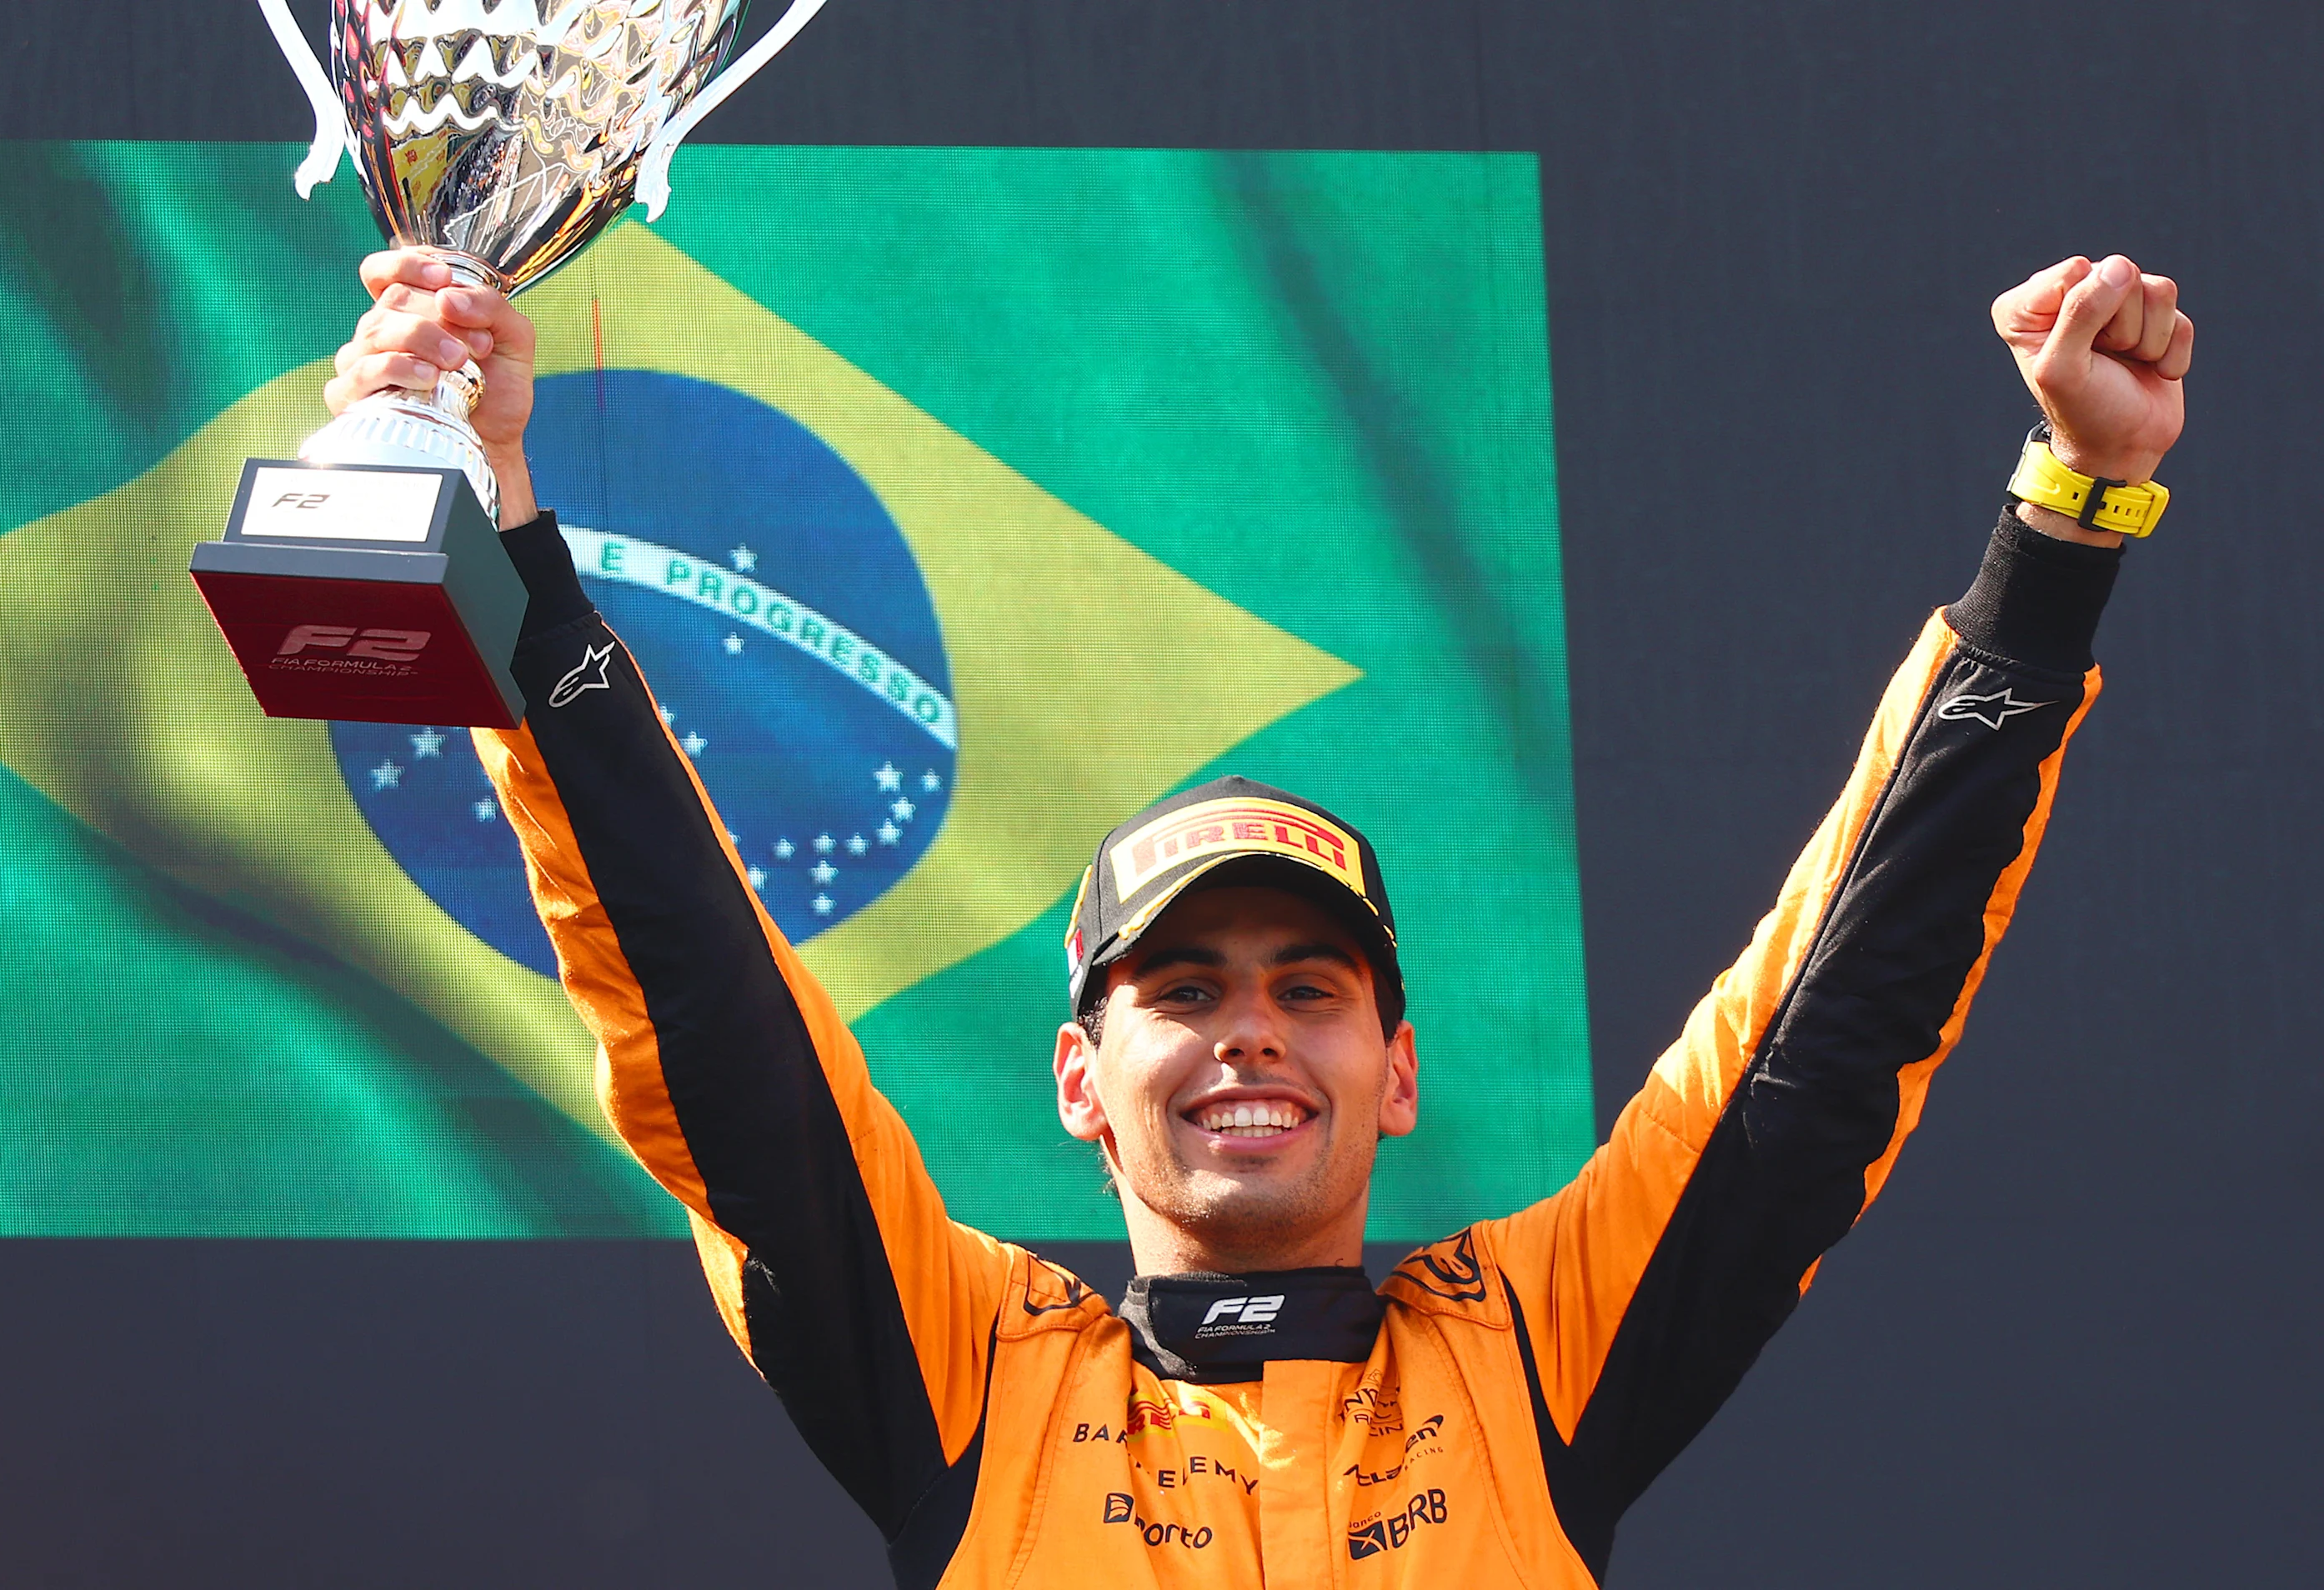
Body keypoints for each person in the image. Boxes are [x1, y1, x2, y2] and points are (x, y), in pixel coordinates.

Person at [325, 249, 2190, 1587]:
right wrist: (500, 553)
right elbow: (708, 1013)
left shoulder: (1535, 1349)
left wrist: (2065, 526)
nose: (1249, 1032)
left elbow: (1833, 1009)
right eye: (1181, 988)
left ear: (1393, 1074)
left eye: (1311, 988)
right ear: (1079, 1076)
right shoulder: (967, 1370)